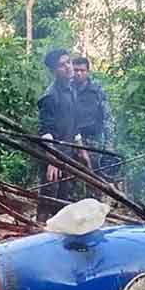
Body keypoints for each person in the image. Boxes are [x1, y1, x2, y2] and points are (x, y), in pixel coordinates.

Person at [36, 48, 77, 223]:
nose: (68, 67)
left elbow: (74, 122)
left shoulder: (71, 90)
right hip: (53, 154)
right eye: (62, 65)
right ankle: (36, 232)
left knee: (64, 196)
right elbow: (46, 130)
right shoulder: (50, 96)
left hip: (67, 152)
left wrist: (79, 149)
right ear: (54, 71)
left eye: (68, 62)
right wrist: (52, 159)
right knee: (48, 196)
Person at [72, 56, 116, 159]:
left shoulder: (97, 91)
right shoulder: (67, 89)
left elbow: (108, 117)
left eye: (82, 70)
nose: (78, 73)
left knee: (91, 171)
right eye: (76, 70)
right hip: (71, 140)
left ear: (88, 72)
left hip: (92, 141)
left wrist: (109, 144)